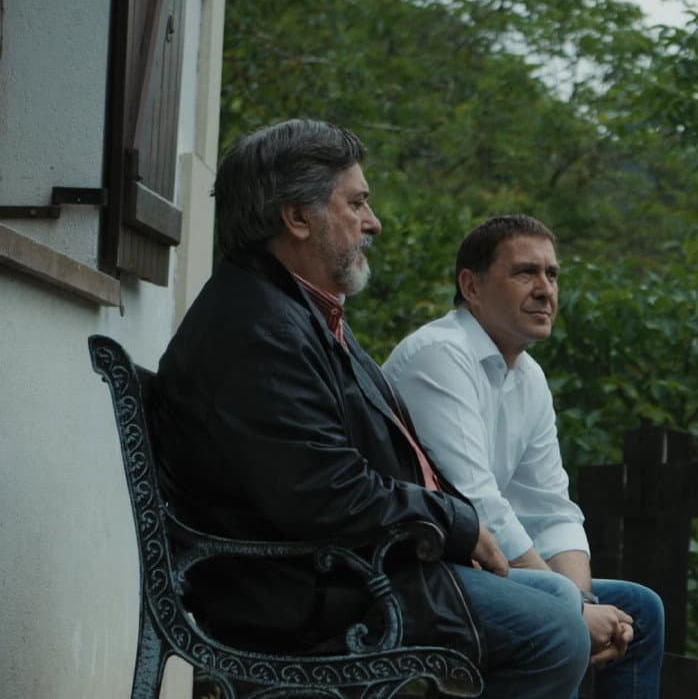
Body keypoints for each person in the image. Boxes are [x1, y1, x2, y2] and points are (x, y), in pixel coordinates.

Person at [151, 120, 589, 699]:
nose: (373, 222)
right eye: (356, 203)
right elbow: (324, 489)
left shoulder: (296, 313)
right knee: (554, 628)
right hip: (303, 591)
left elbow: (350, 473)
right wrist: (456, 525)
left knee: (561, 598)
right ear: (298, 217)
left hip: (337, 570)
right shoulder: (259, 330)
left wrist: (456, 528)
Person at [383, 214, 666, 698]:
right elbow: (478, 503)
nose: (545, 289)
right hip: (415, 571)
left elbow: (550, 508)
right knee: (559, 610)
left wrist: (583, 599)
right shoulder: (438, 354)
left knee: (640, 609)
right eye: (525, 273)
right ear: (471, 286)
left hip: (481, 570)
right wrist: (576, 611)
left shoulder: (529, 377)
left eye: (552, 274)